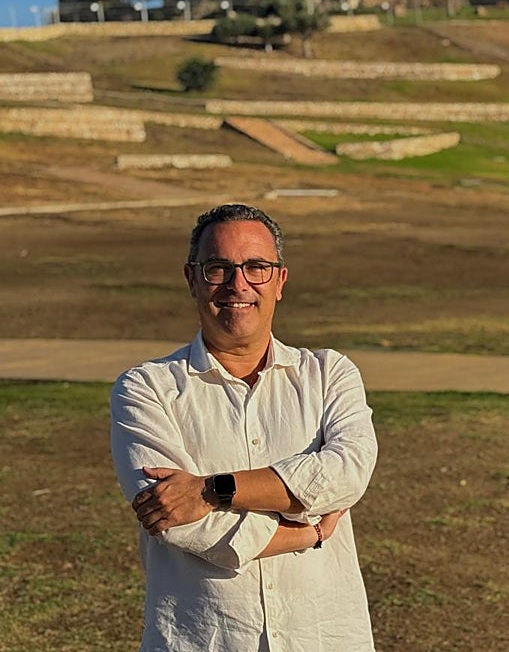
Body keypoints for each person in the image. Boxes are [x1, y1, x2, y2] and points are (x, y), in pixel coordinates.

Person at [110, 203, 378, 651]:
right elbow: (174, 520)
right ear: (192, 279)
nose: (238, 284)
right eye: (218, 268)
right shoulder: (145, 388)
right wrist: (306, 532)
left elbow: (348, 473)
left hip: (324, 634)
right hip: (204, 636)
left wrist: (212, 490)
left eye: (256, 266)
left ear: (279, 281)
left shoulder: (330, 374)